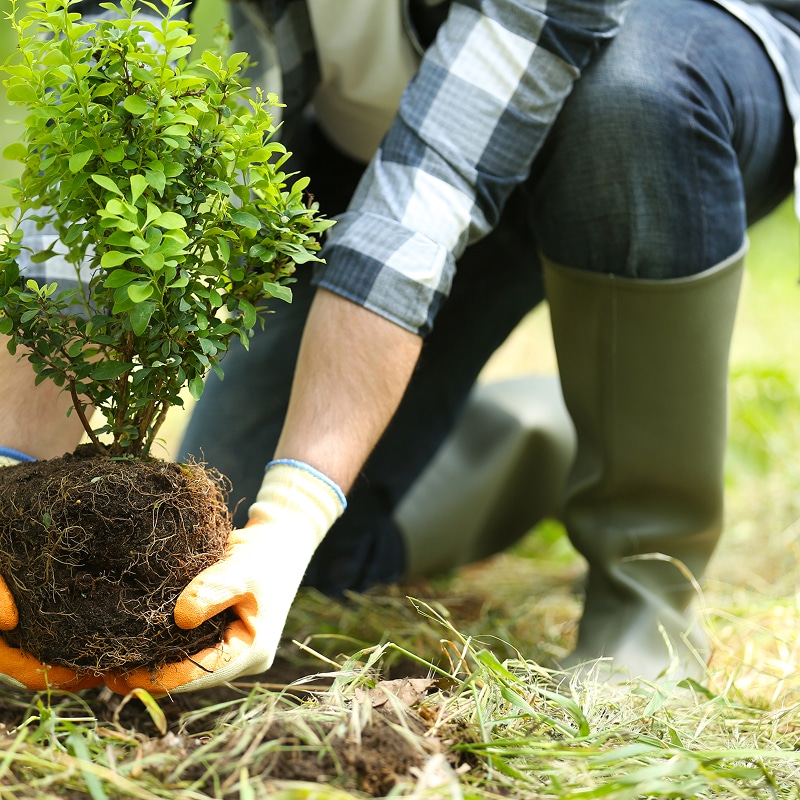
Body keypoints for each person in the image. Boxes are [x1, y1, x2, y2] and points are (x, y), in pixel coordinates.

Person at [2, 0, 799, 694]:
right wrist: (11, 476)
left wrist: (296, 507)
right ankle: (561, 430)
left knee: (633, 96)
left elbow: (431, 191)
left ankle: (645, 586)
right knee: (252, 552)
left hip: (655, 91)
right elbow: (106, 111)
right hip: (379, 135)